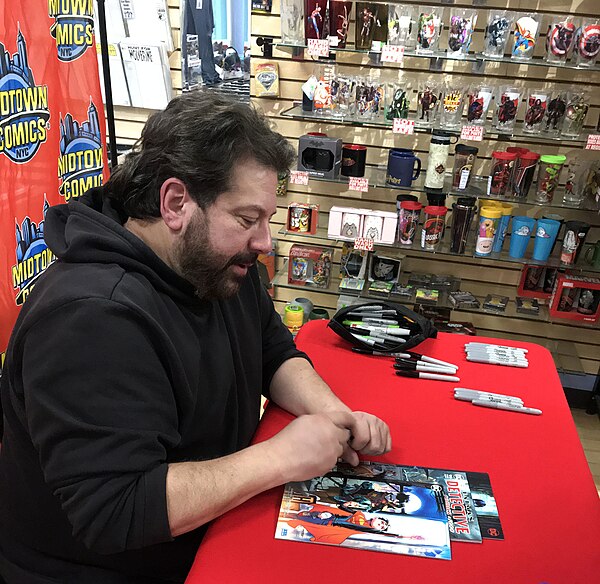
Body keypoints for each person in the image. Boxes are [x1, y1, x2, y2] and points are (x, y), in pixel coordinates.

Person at [0, 91, 391, 583]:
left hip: (203, 534)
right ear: (176, 203)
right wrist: (279, 458)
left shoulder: (215, 263)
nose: (264, 241)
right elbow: (117, 509)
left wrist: (333, 415)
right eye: (247, 219)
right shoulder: (93, 318)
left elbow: (272, 349)